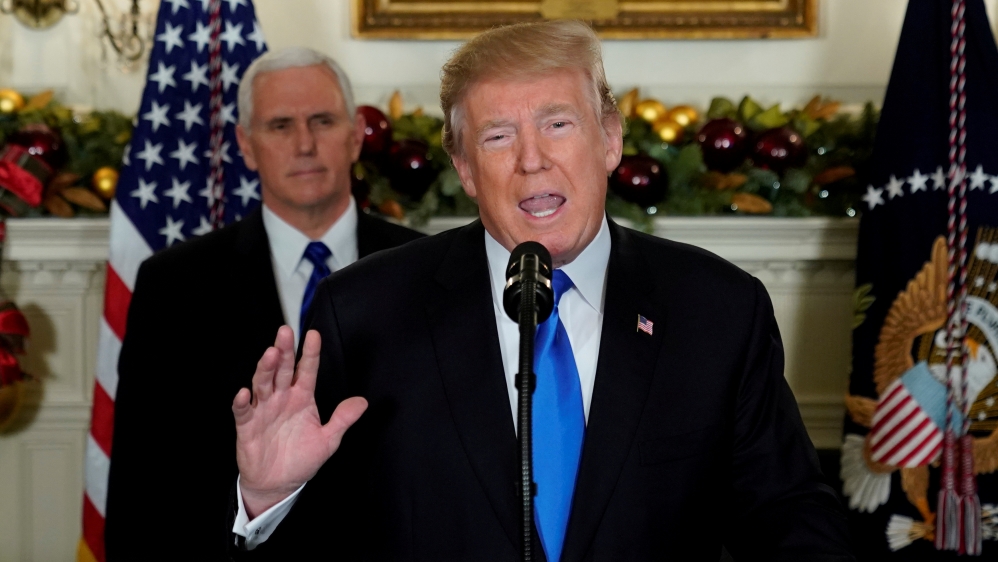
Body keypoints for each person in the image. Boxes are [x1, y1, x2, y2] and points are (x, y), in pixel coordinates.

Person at [229, 22, 855, 561]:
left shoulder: (716, 309)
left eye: (557, 123)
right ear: (467, 168)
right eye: (498, 135)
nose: (532, 160)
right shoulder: (365, 313)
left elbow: (789, 519)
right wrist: (269, 499)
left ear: (609, 139)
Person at [104, 48, 423, 560]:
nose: (303, 144)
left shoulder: (423, 269)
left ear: (354, 135)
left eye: (322, 120)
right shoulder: (173, 285)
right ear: (246, 146)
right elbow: (142, 485)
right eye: (279, 126)